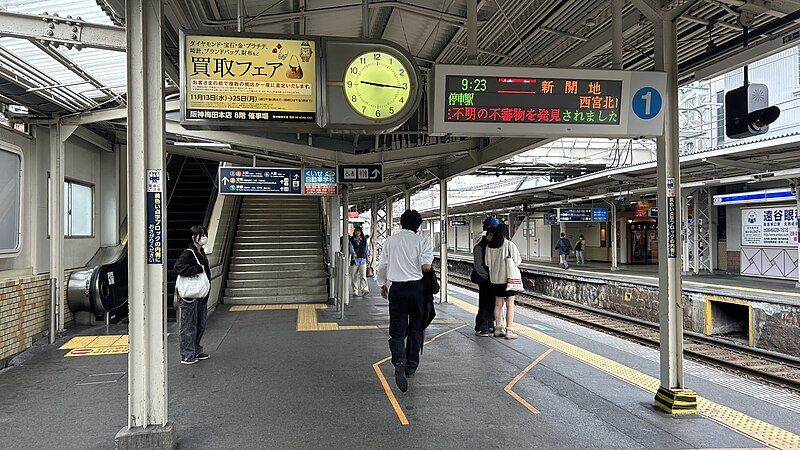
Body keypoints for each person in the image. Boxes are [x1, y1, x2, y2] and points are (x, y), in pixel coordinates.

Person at [375, 210, 434, 393]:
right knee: (416, 328)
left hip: (397, 290)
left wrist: (382, 284)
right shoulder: (422, 241)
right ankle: (410, 367)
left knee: (397, 330)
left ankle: (399, 360)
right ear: (418, 225)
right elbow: (426, 267)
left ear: (401, 223)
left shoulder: (391, 241)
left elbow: (383, 264)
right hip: (416, 289)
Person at [173, 225, 212, 365]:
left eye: (205, 234)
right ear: (194, 238)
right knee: (188, 325)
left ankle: (196, 350)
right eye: (201, 235)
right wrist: (197, 269)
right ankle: (187, 354)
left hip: (200, 295)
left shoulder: (200, 251)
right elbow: (178, 267)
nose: (204, 238)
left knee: (200, 324)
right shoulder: (189, 252)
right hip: (190, 296)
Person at [485, 223, 522, 340]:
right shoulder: (509, 245)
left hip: (495, 280)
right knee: (510, 304)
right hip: (508, 280)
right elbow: (517, 261)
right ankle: (509, 331)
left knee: (498, 304)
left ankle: (498, 328)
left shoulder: (489, 246)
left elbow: (486, 263)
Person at [472, 216, 498, 337]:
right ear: (488, 234)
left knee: (491, 302)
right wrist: (488, 276)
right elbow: (478, 266)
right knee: (484, 302)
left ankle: (489, 324)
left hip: (492, 279)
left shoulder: (491, 247)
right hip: (484, 279)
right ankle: (481, 327)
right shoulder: (479, 247)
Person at [349, 226, 370, 297]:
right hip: (354, 260)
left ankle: (365, 289)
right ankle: (355, 290)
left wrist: (368, 257)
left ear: (361, 232)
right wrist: (353, 253)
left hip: (362, 259)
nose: (357, 232)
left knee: (363, 275)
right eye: (356, 231)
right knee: (353, 276)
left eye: (358, 231)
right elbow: (350, 247)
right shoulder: (351, 239)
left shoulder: (364, 239)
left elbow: (366, 248)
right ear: (354, 232)